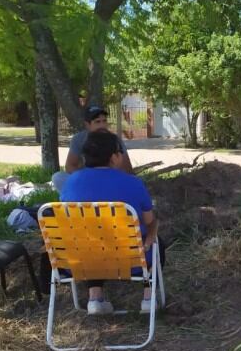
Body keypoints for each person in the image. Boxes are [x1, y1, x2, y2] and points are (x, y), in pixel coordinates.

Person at [60, 131, 164, 315]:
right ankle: (148, 297)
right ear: (114, 157)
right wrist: (153, 230)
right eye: (120, 151)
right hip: (131, 259)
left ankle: (95, 298)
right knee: (156, 244)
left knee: (90, 238)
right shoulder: (132, 183)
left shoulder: (70, 183)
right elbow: (149, 222)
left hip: (81, 260)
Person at [51, 106, 133, 191]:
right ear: (87, 125)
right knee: (58, 177)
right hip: (85, 181)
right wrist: (84, 178)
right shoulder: (78, 139)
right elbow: (70, 166)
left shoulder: (114, 140)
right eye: (97, 122)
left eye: (104, 121)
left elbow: (128, 171)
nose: (102, 125)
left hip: (110, 181)